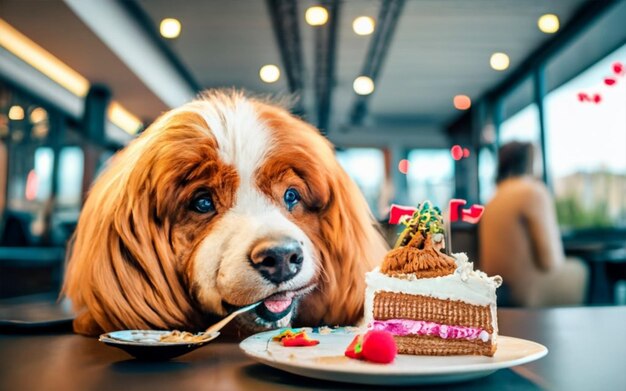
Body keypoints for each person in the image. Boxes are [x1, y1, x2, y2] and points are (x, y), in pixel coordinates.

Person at [479, 141, 588, 307]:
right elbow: (550, 261)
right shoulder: (533, 192)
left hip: (500, 289)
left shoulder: (493, 198)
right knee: (583, 268)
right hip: (528, 292)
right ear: (530, 162)